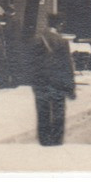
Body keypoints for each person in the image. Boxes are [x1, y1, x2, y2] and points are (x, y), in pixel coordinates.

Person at [28, 13, 76, 146]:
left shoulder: (37, 39)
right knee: (58, 114)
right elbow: (67, 66)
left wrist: (33, 82)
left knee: (42, 114)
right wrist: (70, 88)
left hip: (41, 83)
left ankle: (44, 142)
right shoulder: (62, 41)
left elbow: (31, 63)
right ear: (59, 25)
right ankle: (56, 143)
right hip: (57, 83)